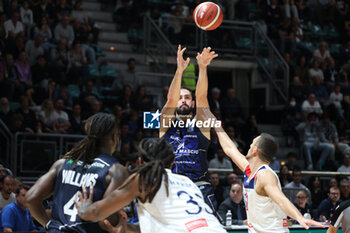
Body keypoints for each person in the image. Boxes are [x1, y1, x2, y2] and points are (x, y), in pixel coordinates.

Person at [203, 108, 323, 232]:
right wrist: (216, 125)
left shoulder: (265, 174)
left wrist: (299, 217)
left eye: (252, 144)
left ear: (256, 151)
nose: (249, 145)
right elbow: (230, 149)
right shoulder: (250, 169)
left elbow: (281, 199)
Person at [75, 138, 226, 233]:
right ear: (172, 163)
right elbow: (164, 225)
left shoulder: (144, 179)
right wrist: (125, 227)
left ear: (140, 161)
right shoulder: (188, 182)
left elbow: (97, 213)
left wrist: (84, 209)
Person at [25, 113, 129, 233]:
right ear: (114, 137)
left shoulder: (62, 164)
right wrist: (120, 218)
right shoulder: (116, 171)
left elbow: (30, 198)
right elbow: (106, 219)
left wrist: (48, 225)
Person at [159, 45, 218, 211]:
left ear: (192, 103)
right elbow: (170, 100)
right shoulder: (165, 125)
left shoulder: (201, 124)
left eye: (187, 98)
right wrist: (179, 71)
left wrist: (203, 67)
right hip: (173, 186)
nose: (183, 100)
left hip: (200, 187)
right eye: (180, 98)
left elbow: (201, 96)